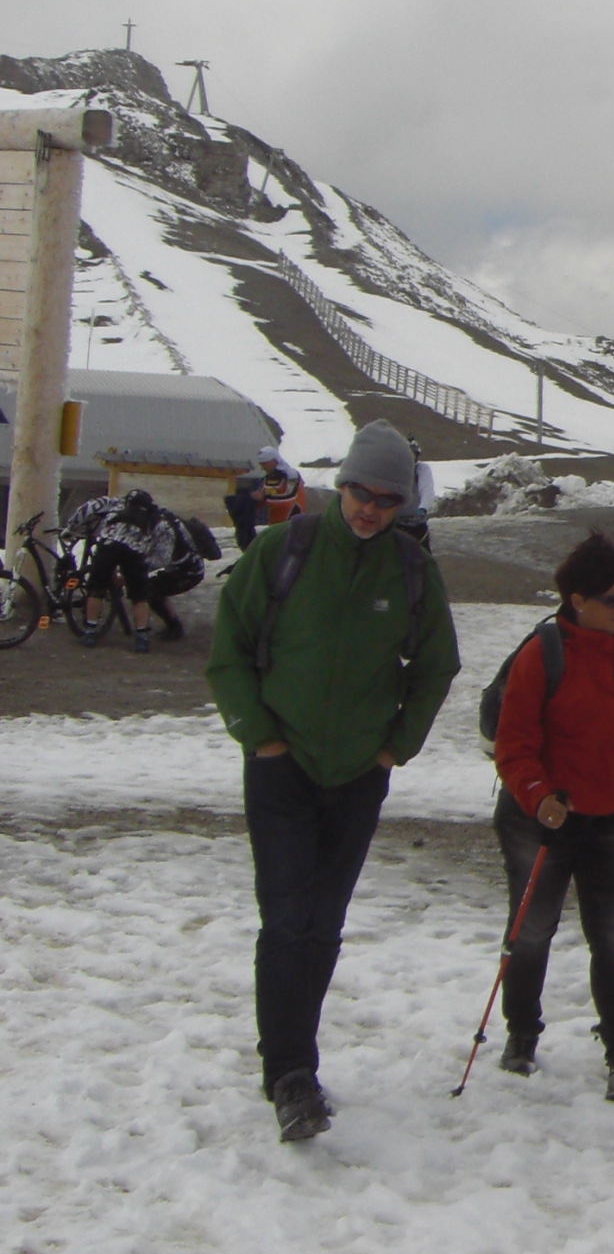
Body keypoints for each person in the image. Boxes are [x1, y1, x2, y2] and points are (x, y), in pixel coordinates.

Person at [207, 422, 460, 1143]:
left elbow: (437, 665)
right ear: (341, 486)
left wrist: (395, 748)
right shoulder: (283, 550)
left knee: (322, 925)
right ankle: (291, 1073)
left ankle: (294, 1067)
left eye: (386, 499)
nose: (370, 509)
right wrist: (260, 738)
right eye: (361, 493)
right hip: (281, 767)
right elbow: (229, 649)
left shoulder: (411, 569)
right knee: (287, 919)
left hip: (357, 775)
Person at [489, 528, 614, 1101]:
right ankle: (521, 1034)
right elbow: (513, 744)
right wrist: (539, 796)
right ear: (578, 600)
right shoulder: (541, 654)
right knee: (532, 931)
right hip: (543, 816)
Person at [68, 488, 217, 647]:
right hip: (133, 553)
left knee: (148, 591)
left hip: (187, 568)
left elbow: (161, 559)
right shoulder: (133, 510)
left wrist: (70, 529)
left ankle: (173, 627)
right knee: (139, 596)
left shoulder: (163, 523)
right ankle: (142, 637)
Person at [225, 444, 305, 552]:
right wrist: (251, 500)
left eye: (264, 463)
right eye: (261, 464)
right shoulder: (267, 478)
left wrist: (265, 498)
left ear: (274, 461)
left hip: (292, 522)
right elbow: (261, 499)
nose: (262, 467)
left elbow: (290, 498)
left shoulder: (291, 475)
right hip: (274, 524)